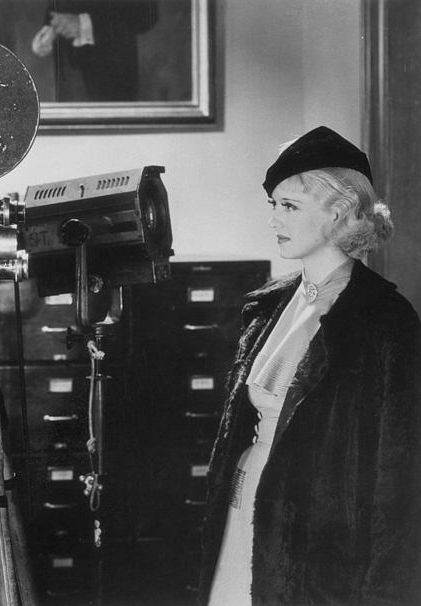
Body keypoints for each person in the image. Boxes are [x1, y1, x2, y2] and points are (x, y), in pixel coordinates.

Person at [198, 126, 421, 605]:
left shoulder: (384, 320)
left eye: (290, 207)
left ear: (339, 212)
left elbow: (398, 480)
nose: (275, 220)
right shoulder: (268, 304)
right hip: (242, 512)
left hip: (317, 549)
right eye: (274, 206)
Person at [31, 1, 157, 102]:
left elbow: (145, 15)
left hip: (112, 76)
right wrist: (50, 27)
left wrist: (84, 24)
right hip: (68, 73)